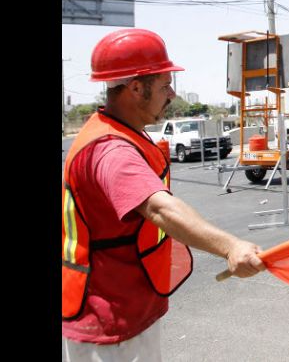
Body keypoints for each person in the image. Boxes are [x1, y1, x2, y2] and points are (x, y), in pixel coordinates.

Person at [62, 28, 266, 361]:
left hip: (122, 311)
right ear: (136, 88)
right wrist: (231, 247)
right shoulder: (111, 151)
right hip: (109, 326)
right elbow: (160, 209)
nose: (171, 94)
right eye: (165, 84)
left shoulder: (115, 132)